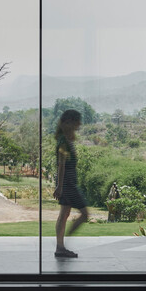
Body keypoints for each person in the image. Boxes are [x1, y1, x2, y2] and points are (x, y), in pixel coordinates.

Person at [52, 109, 89, 258]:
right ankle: (62, 244)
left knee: (64, 213)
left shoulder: (66, 140)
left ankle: (60, 247)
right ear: (69, 122)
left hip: (69, 182)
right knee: (84, 214)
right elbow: (61, 165)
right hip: (68, 184)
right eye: (77, 121)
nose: (79, 124)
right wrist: (60, 186)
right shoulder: (63, 142)